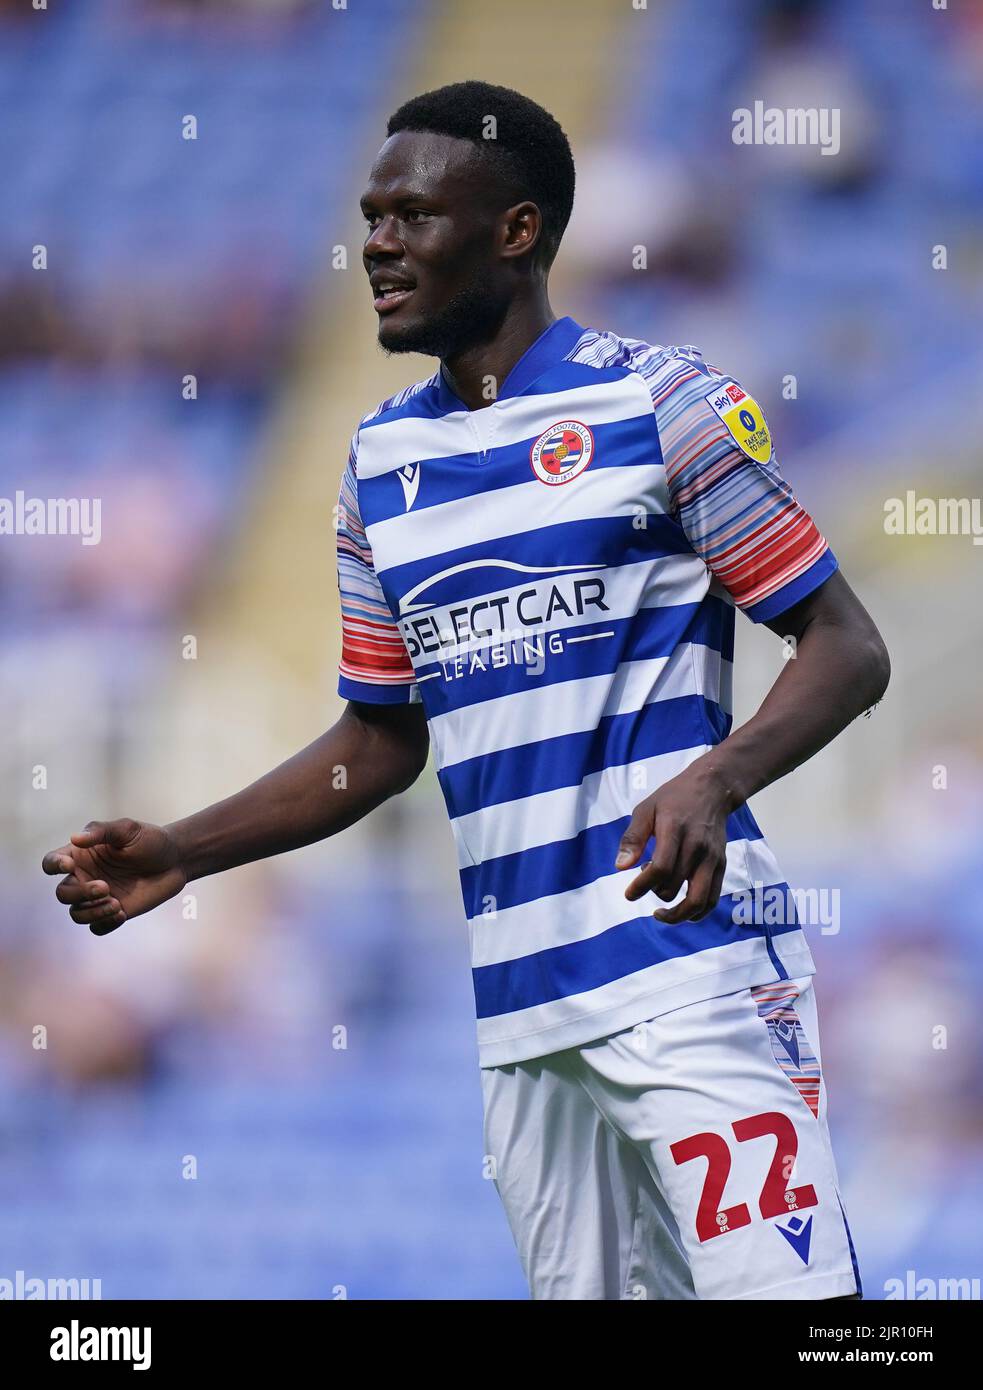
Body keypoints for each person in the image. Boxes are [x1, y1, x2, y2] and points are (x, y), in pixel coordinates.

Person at [42, 81, 889, 1301]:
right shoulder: (381, 463)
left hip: (682, 969)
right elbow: (379, 741)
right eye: (369, 215)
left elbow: (846, 644)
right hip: (522, 1015)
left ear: (516, 231)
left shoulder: (659, 405)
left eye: (412, 216)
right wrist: (185, 845)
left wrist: (716, 775)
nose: (377, 244)